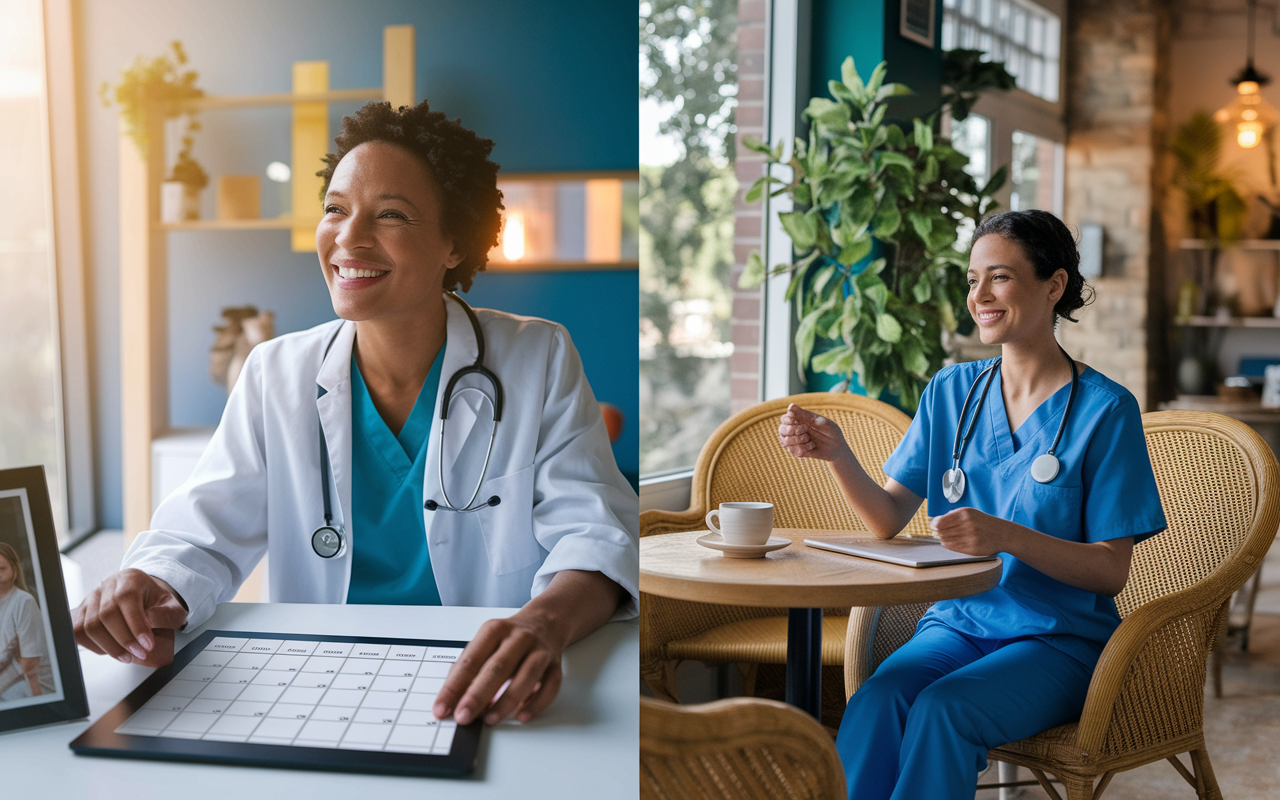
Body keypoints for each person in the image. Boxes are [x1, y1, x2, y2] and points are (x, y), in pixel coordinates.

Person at [73, 100, 639, 727]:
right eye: (336, 209)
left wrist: (542, 623)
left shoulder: (537, 356)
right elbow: (200, 533)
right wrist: (151, 582)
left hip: (484, 681)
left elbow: (595, 533)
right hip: (318, 679)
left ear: (454, 242)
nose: (348, 237)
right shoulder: (274, 372)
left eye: (391, 214)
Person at [776, 209, 1167, 800]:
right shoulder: (951, 392)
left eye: (1000, 277)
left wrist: (1007, 536)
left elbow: (1111, 571)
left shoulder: (1106, 410)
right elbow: (886, 519)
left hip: (1056, 642)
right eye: (971, 279)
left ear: (1054, 285)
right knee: (878, 700)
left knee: (943, 710)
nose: (979, 296)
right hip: (957, 625)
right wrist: (836, 454)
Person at [0, 542, 54, 701]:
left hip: (30, 683)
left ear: (14, 571)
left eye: (2, 569)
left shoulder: (24, 602)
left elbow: (30, 665)